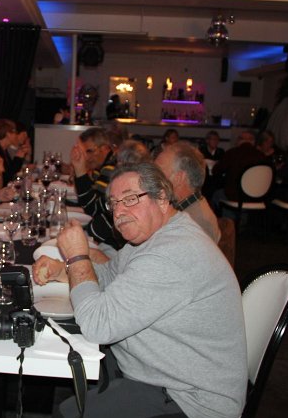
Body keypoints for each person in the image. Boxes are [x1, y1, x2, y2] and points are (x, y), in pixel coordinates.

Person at [32, 163, 247, 418]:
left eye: (130, 199)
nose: (119, 211)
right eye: (114, 203)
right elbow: (110, 275)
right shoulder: (154, 237)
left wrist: (77, 257)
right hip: (161, 372)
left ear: (162, 198)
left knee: (68, 413)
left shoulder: (171, 253)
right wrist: (62, 270)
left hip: (189, 399)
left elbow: (97, 325)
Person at [155, 141, 221, 243]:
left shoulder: (195, 223)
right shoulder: (185, 207)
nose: (152, 178)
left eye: (158, 171)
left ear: (178, 178)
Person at [71, 127, 123, 249]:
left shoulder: (111, 168)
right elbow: (91, 198)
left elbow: (93, 208)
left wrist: (80, 171)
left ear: (104, 148)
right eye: (83, 152)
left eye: (89, 151)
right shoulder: (101, 167)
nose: (86, 157)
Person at [212, 131, 266, 208]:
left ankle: (226, 215)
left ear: (238, 141)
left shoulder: (232, 153)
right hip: (257, 197)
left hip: (235, 196)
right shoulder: (261, 156)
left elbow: (216, 171)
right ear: (253, 142)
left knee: (216, 194)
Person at [0, 118, 31, 185]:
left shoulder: (4, 150)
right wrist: (18, 158)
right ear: (8, 134)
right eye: (15, 133)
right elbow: (8, 177)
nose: (16, 136)